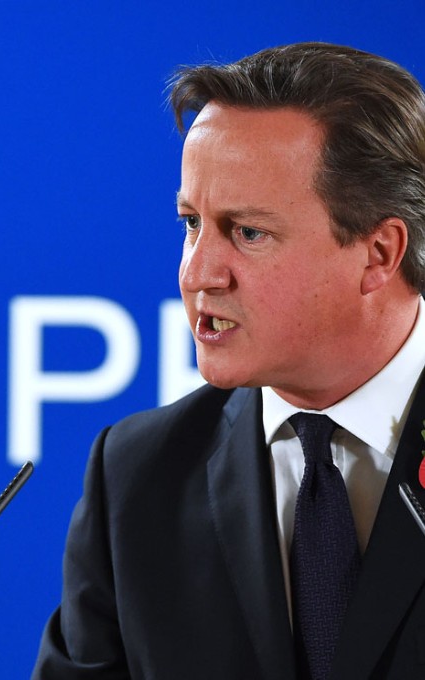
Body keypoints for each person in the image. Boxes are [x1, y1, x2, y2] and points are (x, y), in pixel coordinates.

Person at [31, 42, 425, 680]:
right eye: (191, 224)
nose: (197, 274)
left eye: (248, 232)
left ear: (379, 253)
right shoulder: (137, 479)